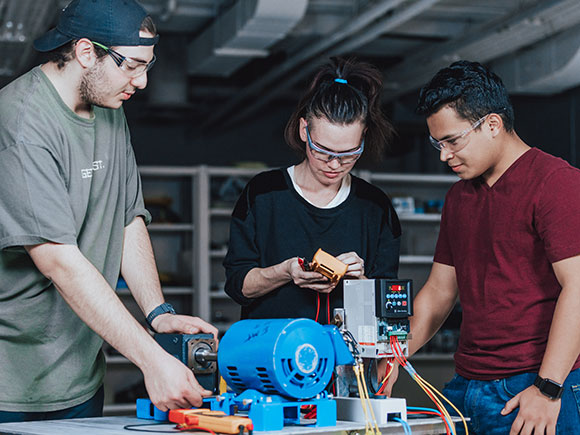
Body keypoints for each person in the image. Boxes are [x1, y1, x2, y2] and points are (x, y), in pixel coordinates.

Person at [0, 0, 217, 422]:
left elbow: (126, 218)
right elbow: (58, 261)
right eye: (132, 65)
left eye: (148, 66)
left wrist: (157, 314)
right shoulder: (22, 125)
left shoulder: (110, 109)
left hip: (80, 377)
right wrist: (152, 360)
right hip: (12, 386)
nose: (143, 81)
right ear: (85, 53)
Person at [383, 61, 580, 434]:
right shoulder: (459, 198)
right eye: (437, 144)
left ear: (492, 124)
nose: (444, 156)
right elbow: (440, 291)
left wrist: (548, 388)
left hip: (536, 388)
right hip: (468, 387)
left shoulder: (557, 184)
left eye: (453, 141)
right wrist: (395, 356)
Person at [223, 57, 401, 323]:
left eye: (349, 154)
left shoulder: (375, 207)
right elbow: (237, 285)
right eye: (323, 151)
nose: (334, 164)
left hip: (346, 359)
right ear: (304, 130)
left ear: (363, 139)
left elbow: (389, 306)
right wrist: (285, 271)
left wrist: (360, 281)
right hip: (273, 355)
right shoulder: (263, 194)